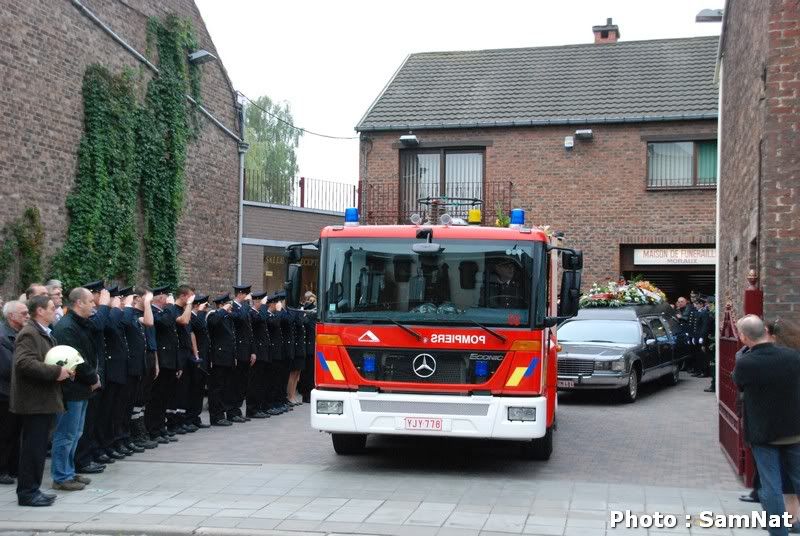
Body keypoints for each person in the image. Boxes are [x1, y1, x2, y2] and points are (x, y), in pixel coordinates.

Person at [732, 315, 800, 536]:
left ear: (743, 337)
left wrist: (742, 355)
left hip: (763, 432)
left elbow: (738, 383)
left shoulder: (746, 362)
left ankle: (778, 531)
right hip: (793, 429)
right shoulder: (792, 357)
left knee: (770, 485)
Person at [10, 295, 73, 506]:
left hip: (43, 399)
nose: (55, 310)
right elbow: (24, 363)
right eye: (51, 307)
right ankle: (28, 492)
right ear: (40, 311)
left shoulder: (43, 333)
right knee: (32, 448)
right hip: (34, 401)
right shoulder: (30, 333)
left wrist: (65, 370)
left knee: (36, 448)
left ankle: (33, 489)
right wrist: (56, 372)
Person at [51, 287, 102, 491]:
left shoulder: (81, 324)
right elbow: (75, 360)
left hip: (81, 388)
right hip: (71, 388)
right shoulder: (67, 327)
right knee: (66, 433)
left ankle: (69, 471)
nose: (94, 304)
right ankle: (61, 476)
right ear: (79, 303)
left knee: (76, 432)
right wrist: (92, 378)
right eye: (90, 301)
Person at [146, 285, 192, 441]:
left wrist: (178, 364)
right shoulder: (154, 311)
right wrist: (172, 305)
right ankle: (153, 429)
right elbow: (165, 323)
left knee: (164, 397)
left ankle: (160, 427)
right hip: (162, 360)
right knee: (157, 397)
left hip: (171, 360)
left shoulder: (165, 311)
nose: (168, 299)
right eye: (166, 296)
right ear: (160, 297)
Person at [73, 281, 111, 471]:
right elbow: (98, 325)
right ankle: (82, 459)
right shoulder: (85, 318)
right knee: (84, 424)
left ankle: (87, 455)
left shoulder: (91, 315)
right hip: (87, 377)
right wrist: (104, 305)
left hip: (96, 373)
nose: (95, 304)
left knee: (91, 421)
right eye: (93, 300)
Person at [120, 287, 157, 451]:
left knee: (142, 398)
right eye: (147, 298)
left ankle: (138, 433)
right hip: (132, 364)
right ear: (137, 298)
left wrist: (155, 362)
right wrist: (146, 302)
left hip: (145, 360)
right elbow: (148, 321)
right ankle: (133, 435)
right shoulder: (130, 314)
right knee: (132, 400)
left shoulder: (142, 314)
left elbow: (150, 326)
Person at [0, 301, 27, 485]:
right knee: (5, 433)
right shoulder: (3, 336)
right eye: (23, 313)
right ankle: (2, 469)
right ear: (11, 316)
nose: (27, 315)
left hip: (17, 392)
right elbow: (8, 367)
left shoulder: (19, 334)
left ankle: (12, 467)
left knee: (16, 432)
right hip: (5, 393)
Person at [206, 294, 235, 426]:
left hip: (227, 357)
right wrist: (223, 310)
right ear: (220, 305)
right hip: (218, 357)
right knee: (216, 388)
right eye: (227, 304)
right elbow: (212, 323)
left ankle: (222, 413)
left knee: (225, 387)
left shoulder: (227, 317)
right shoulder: (213, 314)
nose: (230, 307)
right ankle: (216, 416)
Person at [230, 285, 256, 422]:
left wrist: (252, 351)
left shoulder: (244, 308)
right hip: (238, 351)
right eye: (246, 295)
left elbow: (249, 331)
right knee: (236, 383)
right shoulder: (233, 307)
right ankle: (232, 411)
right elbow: (239, 319)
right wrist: (247, 304)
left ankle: (238, 409)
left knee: (242, 383)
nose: (248, 298)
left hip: (246, 351)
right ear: (240, 294)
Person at [246, 292, 271, 419]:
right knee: (254, 383)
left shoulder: (258, 313)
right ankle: (252, 409)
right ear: (256, 301)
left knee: (261, 382)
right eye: (260, 302)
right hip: (257, 351)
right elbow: (261, 318)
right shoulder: (252, 313)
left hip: (263, 352)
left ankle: (259, 407)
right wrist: (264, 306)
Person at [187, 295, 211, 429]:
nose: (206, 309)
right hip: (195, 358)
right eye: (204, 305)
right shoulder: (192, 316)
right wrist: (201, 311)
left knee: (200, 389)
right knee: (193, 389)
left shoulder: (199, 316)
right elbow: (199, 326)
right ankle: (190, 417)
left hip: (204, 356)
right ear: (197, 305)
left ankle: (196, 417)